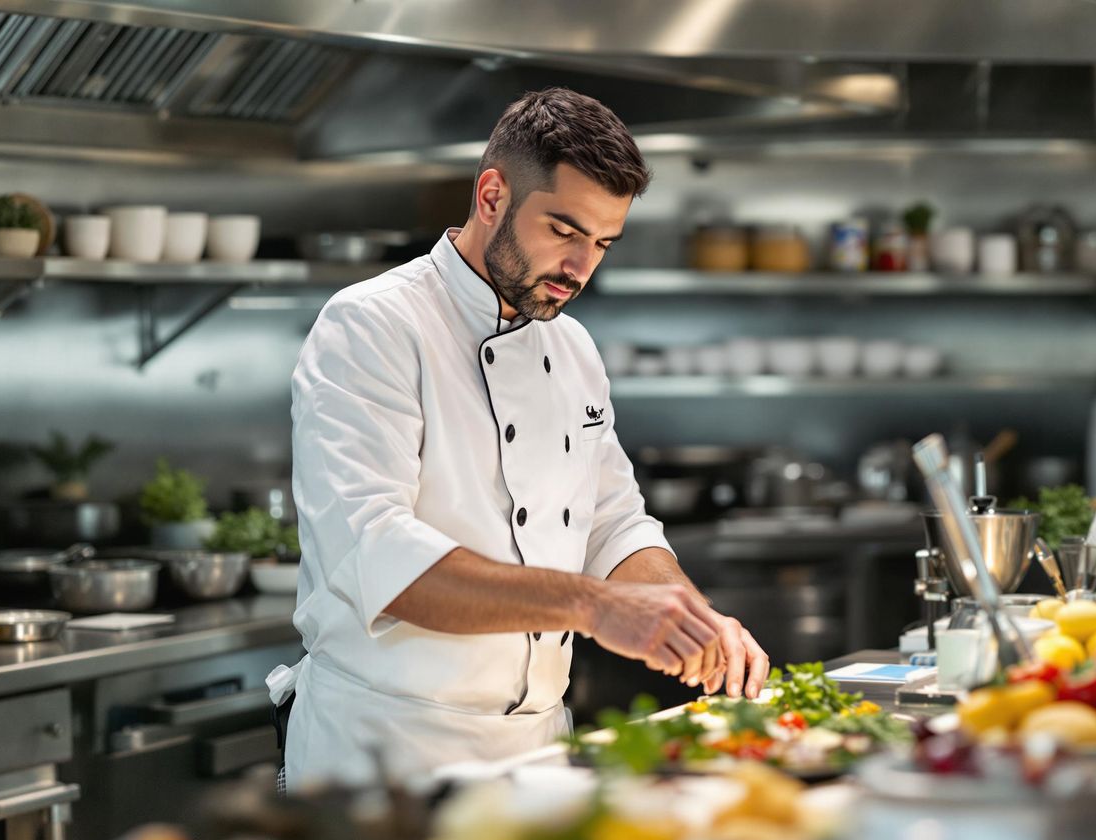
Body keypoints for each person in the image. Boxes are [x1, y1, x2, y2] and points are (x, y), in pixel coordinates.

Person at [270, 87, 768, 789]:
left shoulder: (572, 349)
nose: (581, 268)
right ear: (493, 194)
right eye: (564, 231)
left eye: (602, 243)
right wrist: (595, 606)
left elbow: (612, 524)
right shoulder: (372, 327)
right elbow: (379, 556)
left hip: (536, 751)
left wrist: (691, 616)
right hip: (385, 757)